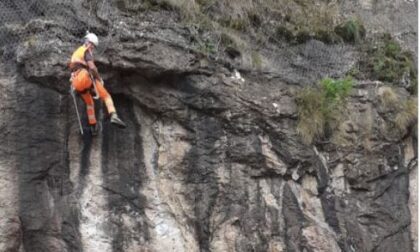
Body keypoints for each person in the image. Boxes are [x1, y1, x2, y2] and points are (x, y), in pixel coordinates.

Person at [68, 33, 126, 134]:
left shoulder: (76, 53)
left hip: (76, 83)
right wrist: (99, 78)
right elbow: (92, 68)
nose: (92, 47)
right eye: (92, 45)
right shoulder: (86, 52)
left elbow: (73, 69)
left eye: (93, 46)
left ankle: (93, 126)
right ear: (88, 42)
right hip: (84, 77)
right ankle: (114, 115)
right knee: (106, 96)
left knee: (90, 103)